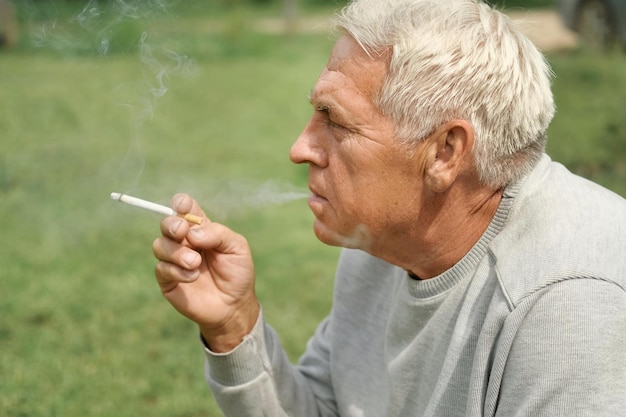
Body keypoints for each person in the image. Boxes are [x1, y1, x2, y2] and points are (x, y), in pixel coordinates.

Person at [151, 0, 626, 415]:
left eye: (336, 121)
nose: (300, 148)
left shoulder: (568, 307)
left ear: (445, 152)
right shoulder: (380, 244)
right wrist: (235, 326)